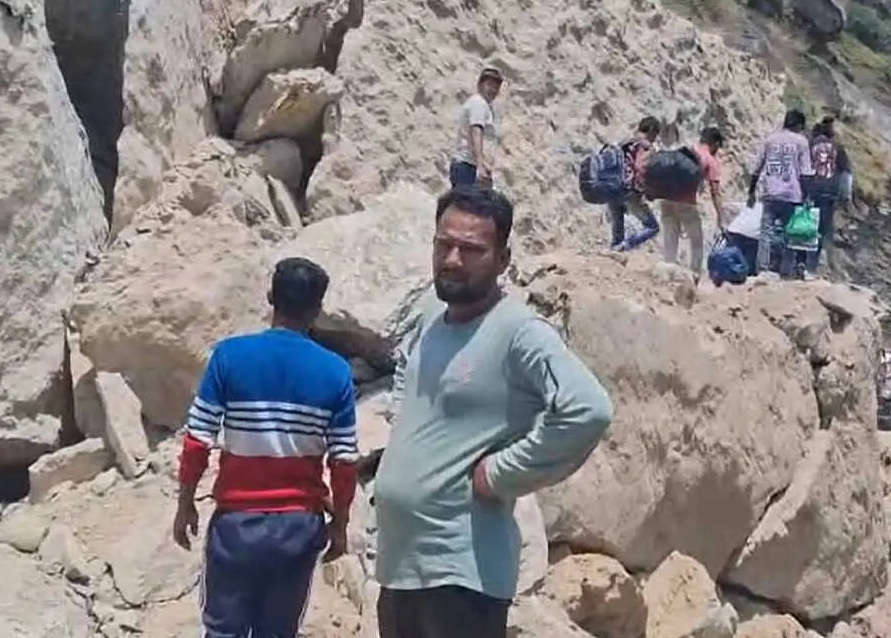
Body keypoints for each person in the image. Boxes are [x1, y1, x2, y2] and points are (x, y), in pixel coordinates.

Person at [375, 185, 614, 638]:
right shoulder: (432, 318)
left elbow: (588, 408)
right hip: (401, 568)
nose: (452, 260)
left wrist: (503, 473)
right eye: (443, 245)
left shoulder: (518, 331)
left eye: (471, 250)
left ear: (503, 260)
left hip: (462, 575)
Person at [172, 258, 357, 638]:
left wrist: (185, 502)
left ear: (271, 297)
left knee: (223, 631)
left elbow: (198, 439)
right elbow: (344, 462)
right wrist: (340, 523)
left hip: (236, 525)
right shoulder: (336, 371)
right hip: (298, 528)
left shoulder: (229, 356)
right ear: (317, 309)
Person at [747, 109, 813, 277]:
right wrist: (807, 196)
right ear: (799, 125)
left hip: (771, 193)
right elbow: (805, 173)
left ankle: (762, 269)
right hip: (792, 195)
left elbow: (756, 168)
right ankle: (785, 271)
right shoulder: (801, 142)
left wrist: (751, 192)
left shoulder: (770, 140)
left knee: (765, 234)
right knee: (790, 235)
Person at [660, 127, 728, 279]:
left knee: (670, 237)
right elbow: (715, 193)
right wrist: (721, 217)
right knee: (697, 240)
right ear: (716, 143)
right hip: (685, 202)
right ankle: (694, 275)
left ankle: (666, 273)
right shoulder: (710, 159)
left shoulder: (685, 150)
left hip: (666, 198)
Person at [803, 117, 851, 274]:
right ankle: (811, 268)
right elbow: (846, 174)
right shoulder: (838, 147)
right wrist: (846, 196)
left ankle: (799, 263)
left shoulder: (810, 144)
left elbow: (801, 167)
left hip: (810, 191)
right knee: (821, 231)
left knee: (804, 227)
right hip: (829, 194)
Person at [608, 116, 661, 251]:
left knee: (617, 233)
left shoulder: (626, 141)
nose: (655, 138)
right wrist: (645, 190)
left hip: (612, 187)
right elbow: (639, 167)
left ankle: (615, 250)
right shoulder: (646, 146)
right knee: (652, 227)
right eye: (656, 134)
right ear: (651, 131)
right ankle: (626, 245)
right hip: (629, 191)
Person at [449, 68, 503, 188]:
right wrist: (480, 166)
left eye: (496, 87)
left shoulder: (485, 106)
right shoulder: (479, 103)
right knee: (466, 200)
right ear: (480, 85)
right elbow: (476, 132)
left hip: (471, 166)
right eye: (490, 85)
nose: (493, 90)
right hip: (468, 166)